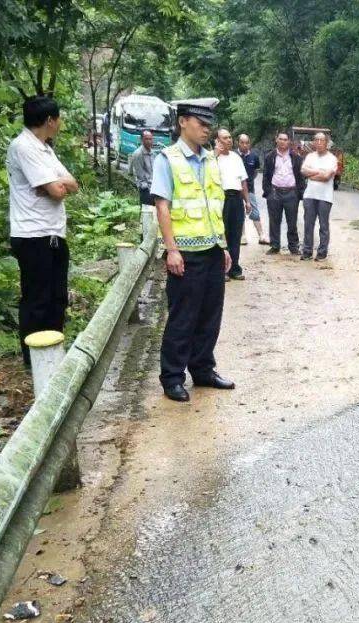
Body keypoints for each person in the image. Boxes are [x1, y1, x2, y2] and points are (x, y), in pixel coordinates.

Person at [150, 98, 234, 403]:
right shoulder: (167, 158)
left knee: (210, 316)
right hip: (185, 254)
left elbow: (215, 205)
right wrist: (171, 249)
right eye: (202, 124)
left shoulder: (211, 159)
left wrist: (223, 246)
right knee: (183, 317)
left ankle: (203, 370)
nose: (206, 131)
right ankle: (172, 377)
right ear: (183, 121)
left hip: (211, 250)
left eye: (209, 125)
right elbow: (163, 206)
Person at [6, 95, 79, 367]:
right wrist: (54, 186)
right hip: (32, 235)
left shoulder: (45, 149)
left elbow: (72, 184)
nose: (59, 123)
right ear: (50, 120)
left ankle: (53, 352)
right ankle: (34, 359)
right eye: (58, 118)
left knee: (57, 297)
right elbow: (59, 192)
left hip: (53, 233)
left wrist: (53, 185)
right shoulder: (23, 147)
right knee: (37, 299)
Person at [215, 128, 251, 280]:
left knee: (235, 235)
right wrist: (215, 154)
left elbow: (243, 181)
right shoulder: (211, 158)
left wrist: (247, 201)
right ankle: (221, 269)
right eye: (225, 138)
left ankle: (234, 268)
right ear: (217, 140)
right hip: (220, 199)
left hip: (236, 198)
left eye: (230, 137)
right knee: (221, 235)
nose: (228, 140)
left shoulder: (236, 158)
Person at [261, 131, 305, 255]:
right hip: (274, 192)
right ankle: (275, 245)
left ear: (289, 141)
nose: (283, 141)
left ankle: (293, 246)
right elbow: (266, 175)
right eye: (280, 139)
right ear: (276, 140)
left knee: (292, 221)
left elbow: (301, 176)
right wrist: (268, 192)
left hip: (291, 193)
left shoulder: (296, 157)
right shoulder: (270, 156)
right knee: (274, 220)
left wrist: (299, 193)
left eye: (285, 139)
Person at [300, 131, 338, 262]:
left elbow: (327, 177)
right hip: (309, 195)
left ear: (327, 143)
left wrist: (312, 175)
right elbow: (303, 171)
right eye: (317, 140)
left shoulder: (332, 158)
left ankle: (322, 252)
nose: (320, 143)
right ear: (314, 142)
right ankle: (307, 251)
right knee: (308, 224)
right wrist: (319, 172)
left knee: (323, 225)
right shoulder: (310, 156)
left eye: (323, 140)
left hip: (325, 197)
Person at [236, 133, 267, 246]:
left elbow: (255, 172)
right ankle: (243, 236)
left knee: (254, 210)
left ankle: (261, 235)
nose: (245, 145)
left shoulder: (254, 156)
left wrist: (249, 182)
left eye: (247, 142)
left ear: (249, 143)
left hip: (250, 189)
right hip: (236, 189)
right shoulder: (233, 155)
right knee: (240, 213)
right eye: (242, 142)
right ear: (238, 143)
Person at [128, 130, 156, 206]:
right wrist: (147, 188)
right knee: (146, 212)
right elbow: (140, 174)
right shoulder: (138, 154)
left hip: (154, 187)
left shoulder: (152, 153)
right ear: (141, 140)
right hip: (145, 188)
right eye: (146, 139)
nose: (149, 141)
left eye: (150, 139)